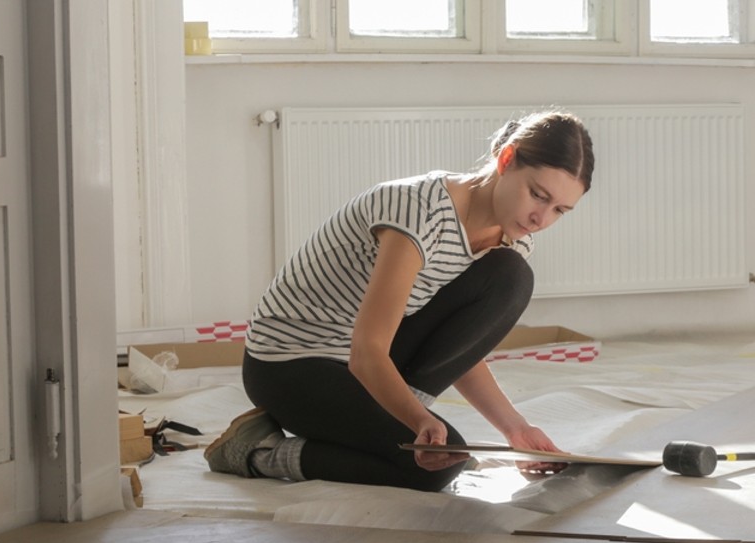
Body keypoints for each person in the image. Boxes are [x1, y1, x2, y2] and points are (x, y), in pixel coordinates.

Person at [204, 110, 594, 492]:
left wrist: (516, 429)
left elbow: (455, 345)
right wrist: (416, 418)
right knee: (431, 470)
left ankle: (382, 426)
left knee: (510, 276)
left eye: (559, 210)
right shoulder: (418, 210)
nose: (540, 218)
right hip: (290, 365)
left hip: (362, 358)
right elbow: (367, 350)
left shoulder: (513, 236)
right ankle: (259, 451)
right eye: (537, 195)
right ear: (507, 159)